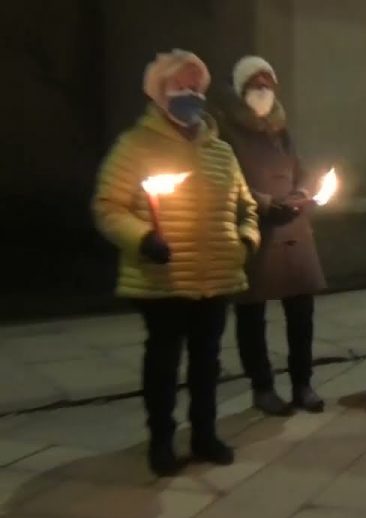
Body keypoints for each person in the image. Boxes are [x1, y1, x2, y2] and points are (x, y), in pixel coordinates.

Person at [92, 49, 260, 476]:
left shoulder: (221, 151)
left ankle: (205, 434)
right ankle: (161, 441)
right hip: (161, 278)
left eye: (195, 86)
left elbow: (247, 207)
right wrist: (142, 238)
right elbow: (108, 206)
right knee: (163, 364)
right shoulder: (135, 146)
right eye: (179, 85)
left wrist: (245, 242)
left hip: (217, 276)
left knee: (207, 363)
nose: (189, 93)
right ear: (158, 91)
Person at [212, 56, 327, 416]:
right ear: (241, 89)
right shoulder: (226, 129)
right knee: (251, 313)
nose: (263, 90)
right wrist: (263, 203)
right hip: (254, 229)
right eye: (255, 84)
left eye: (268, 83)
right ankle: (262, 386)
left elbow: (302, 170)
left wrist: (302, 193)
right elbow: (225, 180)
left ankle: (302, 383)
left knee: (301, 312)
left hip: (292, 228)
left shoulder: (281, 129)